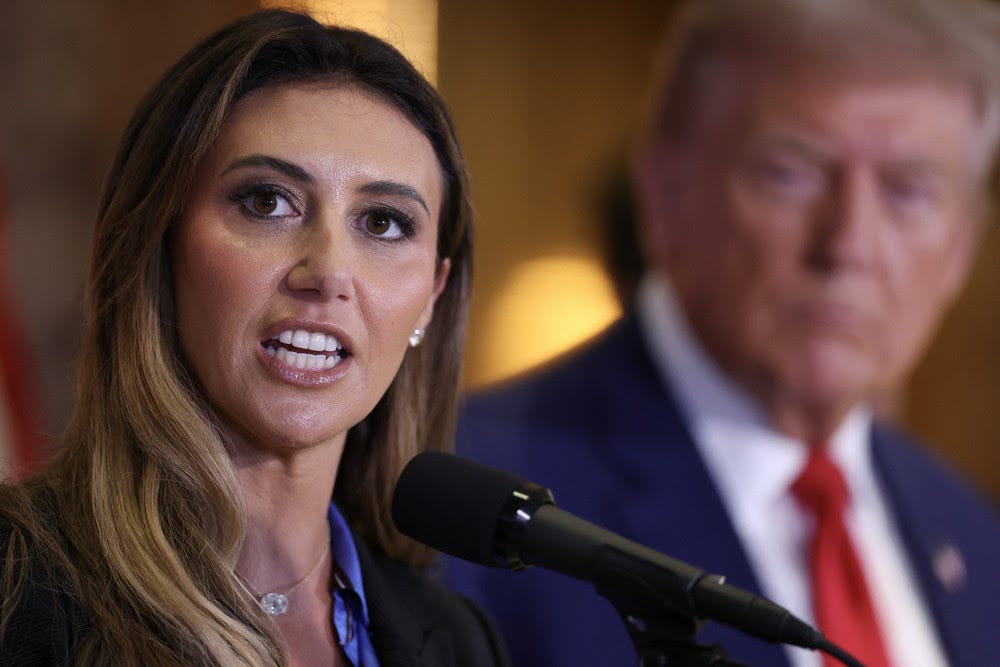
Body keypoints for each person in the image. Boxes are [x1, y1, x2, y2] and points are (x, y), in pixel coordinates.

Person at [445, 1, 1000, 666]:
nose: (849, 244)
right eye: (791, 173)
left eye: (908, 192)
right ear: (663, 190)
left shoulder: (975, 533)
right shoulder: (475, 510)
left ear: (964, 247)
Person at [0, 9, 509, 666]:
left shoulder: (462, 642)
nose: (328, 272)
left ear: (430, 299)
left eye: (382, 222)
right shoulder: (17, 590)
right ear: (157, 245)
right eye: (267, 201)